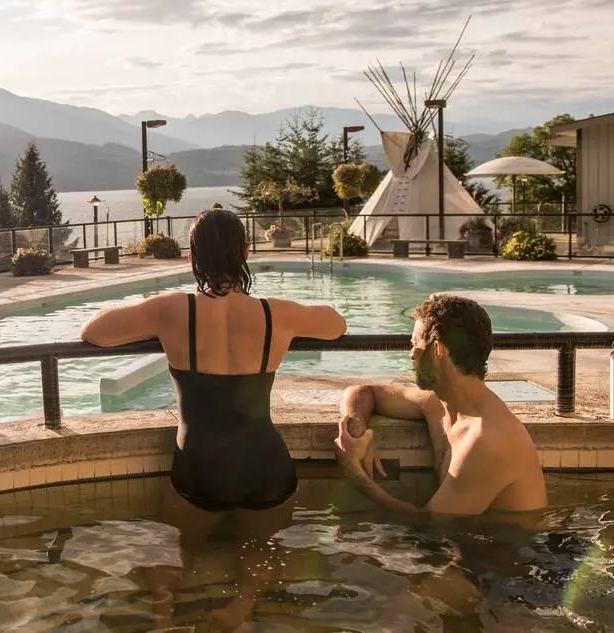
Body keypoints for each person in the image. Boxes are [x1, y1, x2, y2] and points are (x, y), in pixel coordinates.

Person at [81, 209, 346, 628]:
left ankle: (165, 613)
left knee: (174, 546)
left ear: (191, 257)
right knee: (261, 546)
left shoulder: (171, 310)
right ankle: (241, 605)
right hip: (265, 465)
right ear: (245, 252)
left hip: (200, 466)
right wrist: (296, 313)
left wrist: (151, 317)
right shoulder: (276, 313)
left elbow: (94, 331)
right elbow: (336, 324)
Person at [336, 293, 546, 516]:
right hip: (469, 543)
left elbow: (431, 523)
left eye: (415, 344)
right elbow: (363, 391)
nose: (411, 355)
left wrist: (354, 473)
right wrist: (358, 432)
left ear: (437, 349)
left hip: (510, 549)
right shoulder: (438, 403)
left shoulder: (487, 440)